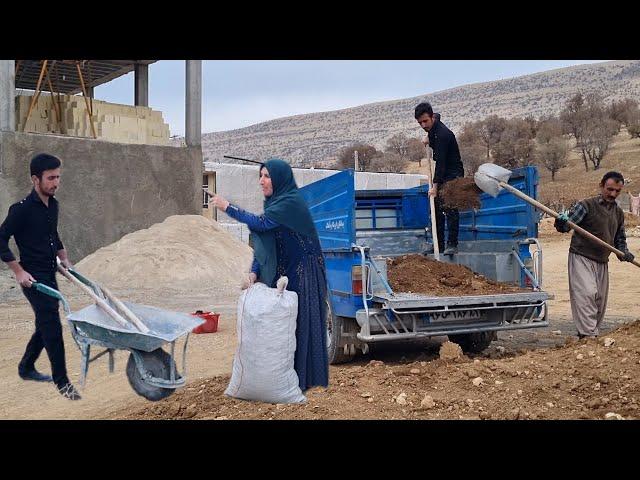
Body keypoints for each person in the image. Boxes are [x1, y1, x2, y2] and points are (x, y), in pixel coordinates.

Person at [210, 158, 329, 392]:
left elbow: (262, 225)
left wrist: (228, 207)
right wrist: (255, 273)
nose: (261, 181)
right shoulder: (276, 204)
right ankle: (282, 379)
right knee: (284, 326)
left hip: (304, 270)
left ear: (280, 178)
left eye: (266, 176)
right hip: (288, 269)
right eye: (260, 176)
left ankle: (301, 380)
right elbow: (266, 243)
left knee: (301, 323)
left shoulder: (290, 203)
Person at [0, 153, 81, 400]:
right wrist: (18, 271)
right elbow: (1, 239)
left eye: (58, 177)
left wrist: (64, 259)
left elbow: (52, 235)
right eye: (51, 178)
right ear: (36, 179)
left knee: (45, 323)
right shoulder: (21, 210)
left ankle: (26, 367)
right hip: (32, 278)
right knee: (52, 326)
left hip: (49, 270)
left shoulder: (53, 204)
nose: (56, 182)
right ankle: (62, 382)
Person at [554, 171, 635, 338]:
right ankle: (587, 335)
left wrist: (624, 253)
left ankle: (592, 334)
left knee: (599, 300)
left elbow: (619, 237)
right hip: (581, 256)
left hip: (602, 260)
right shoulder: (586, 205)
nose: (612, 194)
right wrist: (561, 221)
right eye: (609, 189)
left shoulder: (618, 213)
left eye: (617, 191)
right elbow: (565, 227)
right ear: (601, 185)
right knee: (586, 295)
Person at [415, 102, 464, 255]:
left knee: (449, 207)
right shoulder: (433, 124)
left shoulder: (443, 135)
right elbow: (438, 116)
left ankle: (452, 244)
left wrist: (435, 187)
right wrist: (427, 136)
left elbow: (441, 164)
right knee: (436, 209)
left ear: (431, 118)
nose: (423, 125)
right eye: (420, 122)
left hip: (453, 173)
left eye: (425, 121)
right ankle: (439, 244)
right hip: (443, 171)